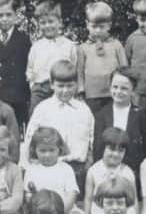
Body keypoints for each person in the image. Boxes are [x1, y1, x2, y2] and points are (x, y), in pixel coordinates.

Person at [25, 59, 94, 195]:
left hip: (77, 168)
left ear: (76, 85)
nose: (65, 91)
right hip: (49, 167)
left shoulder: (84, 110)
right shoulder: (43, 109)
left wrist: (88, 164)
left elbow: (91, 139)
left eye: (70, 86)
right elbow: (30, 137)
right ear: (52, 84)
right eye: (60, 86)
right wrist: (30, 165)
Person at [93, 67, 146, 185]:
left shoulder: (140, 115)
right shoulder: (101, 115)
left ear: (133, 90)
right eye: (115, 87)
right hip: (106, 172)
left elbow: (144, 148)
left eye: (124, 88)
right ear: (110, 87)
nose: (118, 91)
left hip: (132, 172)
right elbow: (98, 148)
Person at [0, 0, 32, 129]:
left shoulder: (24, 39)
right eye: (0, 15)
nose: (4, 19)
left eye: (8, 15)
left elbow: (28, 67)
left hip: (18, 97)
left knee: (16, 135)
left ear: (16, 16)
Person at [26, 0, 78, 113]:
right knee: (37, 117)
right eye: (43, 23)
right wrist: (34, 86)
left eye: (51, 21)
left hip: (62, 89)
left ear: (59, 22)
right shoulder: (36, 47)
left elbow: (74, 68)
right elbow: (30, 70)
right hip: (40, 90)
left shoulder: (69, 45)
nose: (47, 26)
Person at [77, 1, 128, 114]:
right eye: (94, 27)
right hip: (91, 94)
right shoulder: (83, 48)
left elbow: (124, 68)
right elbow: (79, 71)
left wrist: (125, 87)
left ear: (109, 25)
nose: (98, 30)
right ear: (87, 25)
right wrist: (81, 89)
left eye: (102, 27)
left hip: (113, 93)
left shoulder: (116, 45)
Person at [83, 127, 137, 214]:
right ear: (103, 148)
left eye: (120, 151)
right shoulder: (93, 171)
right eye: (111, 149)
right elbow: (88, 198)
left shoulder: (128, 172)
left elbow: (134, 200)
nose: (116, 154)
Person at [23, 127, 78, 214]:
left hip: (64, 212)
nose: (47, 155)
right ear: (35, 150)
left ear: (59, 149)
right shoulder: (32, 170)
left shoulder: (66, 169)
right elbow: (28, 195)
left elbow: (72, 194)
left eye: (51, 150)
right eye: (43, 151)